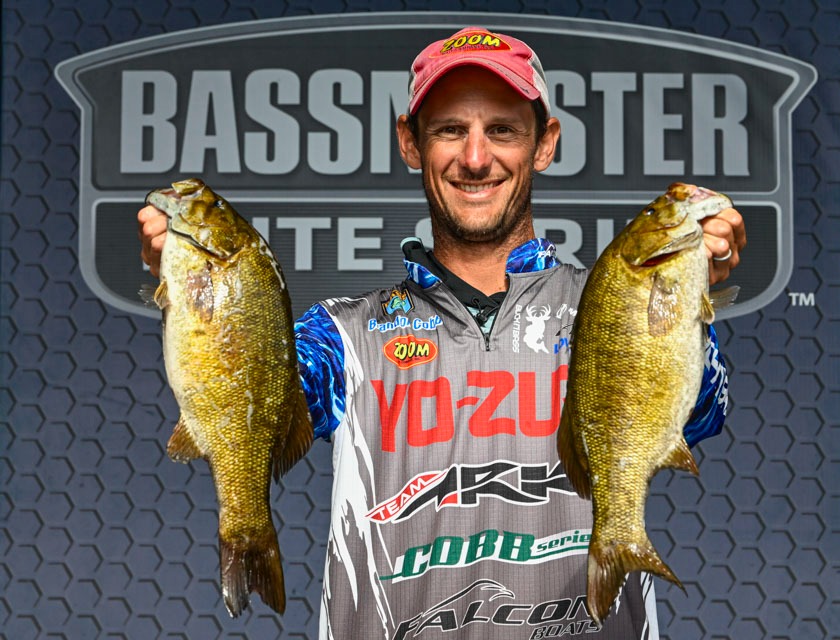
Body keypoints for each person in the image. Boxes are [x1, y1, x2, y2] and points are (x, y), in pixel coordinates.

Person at [138, 26, 746, 640]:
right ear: (410, 142)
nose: (476, 158)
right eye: (451, 130)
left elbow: (701, 415)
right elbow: (253, 417)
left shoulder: (614, 304)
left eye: (502, 130)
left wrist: (682, 303)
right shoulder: (342, 335)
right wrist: (202, 293)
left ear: (545, 144)